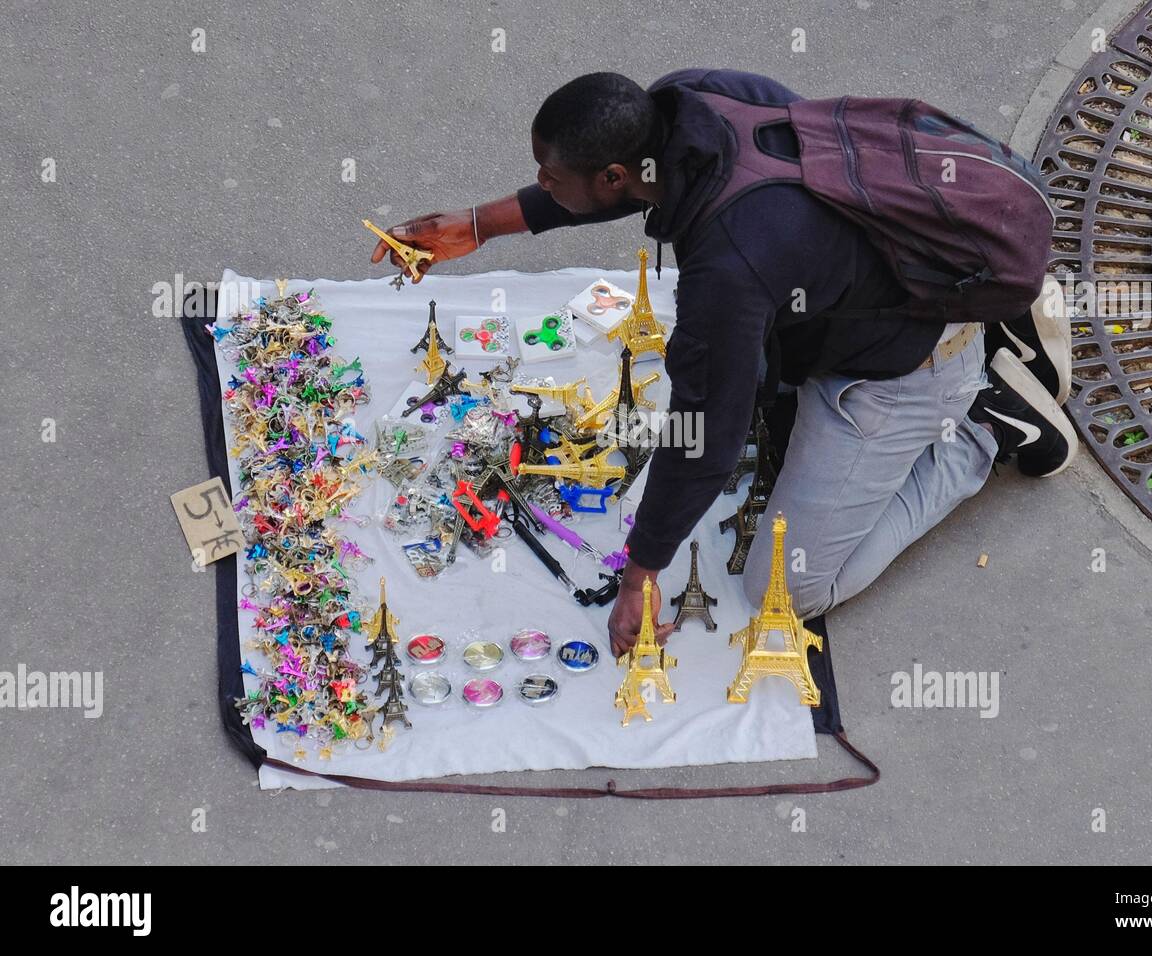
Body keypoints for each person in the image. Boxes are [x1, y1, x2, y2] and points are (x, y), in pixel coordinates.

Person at [370, 68, 1076, 658]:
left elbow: (703, 440)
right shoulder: (696, 97)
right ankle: (976, 327)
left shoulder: (730, 270)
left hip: (903, 369)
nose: (540, 186)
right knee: (739, 392)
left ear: (616, 173)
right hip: (850, 298)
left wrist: (640, 573)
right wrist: (480, 224)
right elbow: (624, 187)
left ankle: (989, 422)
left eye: (550, 179)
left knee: (788, 586)